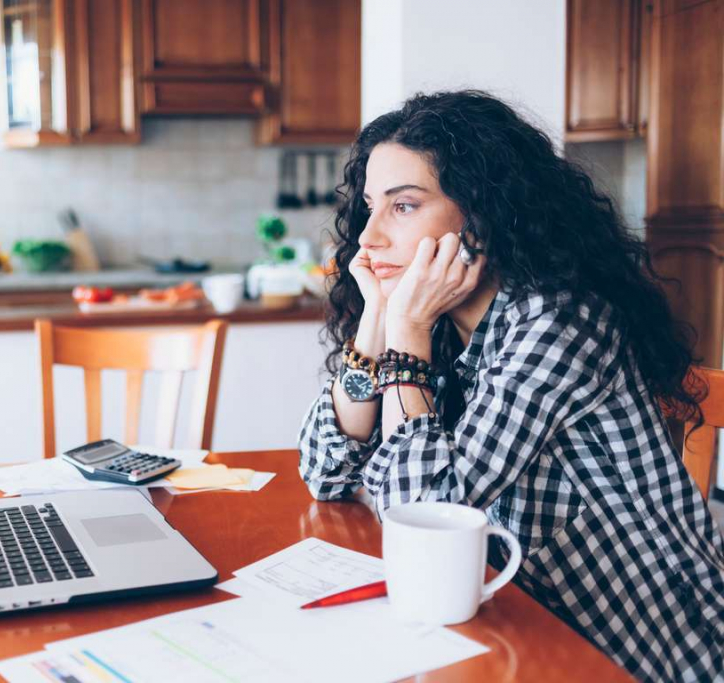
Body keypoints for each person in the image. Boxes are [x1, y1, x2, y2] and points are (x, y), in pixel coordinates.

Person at [298, 90, 724, 681]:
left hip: (641, 651)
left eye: (403, 207)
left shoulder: (562, 321)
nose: (367, 239)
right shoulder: (441, 327)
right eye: (369, 206)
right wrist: (377, 320)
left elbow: (421, 515)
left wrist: (408, 330)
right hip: (518, 624)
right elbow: (325, 471)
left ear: (482, 214)